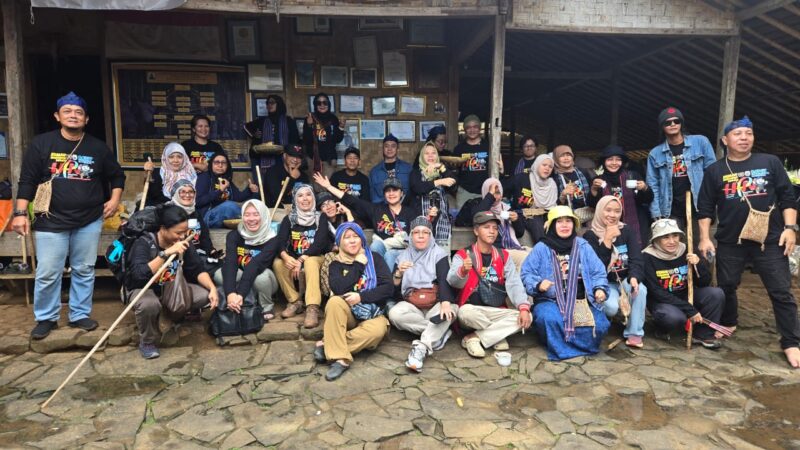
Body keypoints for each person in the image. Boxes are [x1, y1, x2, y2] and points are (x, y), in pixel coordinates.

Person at [13, 91, 126, 339]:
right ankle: (46, 317)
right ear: (57, 116)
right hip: (50, 221)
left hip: (89, 219)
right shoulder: (42, 144)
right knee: (48, 271)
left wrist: (114, 199)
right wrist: (20, 212)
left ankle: (79, 314)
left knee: (84, 268)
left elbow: (117, 175)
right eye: (68, 111)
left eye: (78, 112)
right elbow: (27, 181)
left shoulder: (97, 147)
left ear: (86, 119)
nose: (73, 116)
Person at [697, 117, 800, 367]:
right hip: (731, 241)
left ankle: (791, 341)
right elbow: (705, 208)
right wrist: (704, 239)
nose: (744, 138)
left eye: (748, 133)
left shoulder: (770, 162)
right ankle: (730, 320)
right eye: (738, 134)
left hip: (771, 240)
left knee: (780, 291)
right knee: (727, 286)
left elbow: (788, 197)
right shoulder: (715, 170)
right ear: (725, 140)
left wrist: (790, 228)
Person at [125, 205, 219, 359]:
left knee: (204, 295)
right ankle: (147, 341)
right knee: (149, 305)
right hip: (143, 288)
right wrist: (166, 253)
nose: (182, 237)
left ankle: (171, 315)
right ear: (163, 228)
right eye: (178, 233)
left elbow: (197, 269)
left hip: (170, 286)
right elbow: (139, 275)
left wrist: (212, 288)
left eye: (185, 232)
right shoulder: (144, 243)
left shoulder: (183, 243)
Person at [520, 206, 610, 361]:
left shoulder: (583, 246)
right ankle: (563, 347)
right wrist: (538, 284)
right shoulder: (542, 248)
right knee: (550, 319)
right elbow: (527, 273)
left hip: (581, 300)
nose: (564, 225)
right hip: (551, 300)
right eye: (559, 221)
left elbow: (598, 272)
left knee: (601, 324)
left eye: (568, 221)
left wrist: (599, 288)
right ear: (552, 225)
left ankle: (566, 345)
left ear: (573, 225)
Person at [447, 211, 532, 357]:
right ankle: (497, 335)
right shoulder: (463, 254)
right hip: (472, 311)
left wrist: (523, 307)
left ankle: (473, 338)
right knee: (465, 312)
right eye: (486, 227)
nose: (492, 231)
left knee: (527, 316)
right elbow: (451, 282)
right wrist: (462, 271)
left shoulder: (503, 255)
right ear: (476, 231)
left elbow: (514, 284)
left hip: (496, 311)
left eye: (494, 228)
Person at [314, 222, 392, 381]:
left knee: (378, 330)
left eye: (356, 236)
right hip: (347, 314)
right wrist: (358, 264)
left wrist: (361, 297)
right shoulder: (336, 263)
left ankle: (328, 344)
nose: (352, 241)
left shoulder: (375, 258)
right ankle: (341, 359)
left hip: (372, 314)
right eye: (347, 238)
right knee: (335, 302)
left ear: (362, 240)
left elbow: (388, 288)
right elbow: (339, 288)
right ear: (340, 243)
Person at [388, 217, 456, 372]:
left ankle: (423, 344)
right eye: (416, 232)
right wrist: (398, 273)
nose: (420, 236)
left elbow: (444, 280)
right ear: (411, 236)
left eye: (425, 232)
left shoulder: (438, 254)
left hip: (434, 302)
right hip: (412, 303)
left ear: (430, 236)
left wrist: (445, 303)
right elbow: (393, 291)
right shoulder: (403, 256)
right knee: (394, 314)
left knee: (451, 310)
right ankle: (438, 332)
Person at [643, 218, 724, 349]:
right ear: (656, 240)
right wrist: (689, 310)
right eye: (665, 237)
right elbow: (656, 292)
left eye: (675, 236)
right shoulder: (647, 257)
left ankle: (703, 334)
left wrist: (699, 265)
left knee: (716, 294)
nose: (672, 241)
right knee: (673, 317)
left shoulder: (687, 250)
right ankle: (662, 329)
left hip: (686, 295)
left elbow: (704, 282)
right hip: (663, 302)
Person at [314, 174, 420, 272]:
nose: (391, 193)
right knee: (376, 246)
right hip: (382, 248)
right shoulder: (376, 209)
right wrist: (328, 187)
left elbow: (416, 237)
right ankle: (373, 279)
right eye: (388, 191)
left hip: (403, 249)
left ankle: (389, 287)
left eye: (395, 190)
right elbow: (351, 200)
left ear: (401, 193)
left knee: (390, 255)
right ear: (384, 194)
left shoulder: (410, 212)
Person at [583, 196, 648, 348]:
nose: (612, 215)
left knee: (640, 290)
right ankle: (608, 319)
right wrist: (606, 240)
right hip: (604, 283)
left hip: (624, 279)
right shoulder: (590, 236)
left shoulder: (626, 230)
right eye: (608, 210)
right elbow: (595, 268)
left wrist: (634, 277)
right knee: (611, 307)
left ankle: (634, 333)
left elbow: (636, 259)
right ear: (599, 211)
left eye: (617, 211)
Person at [646, 107, 717, 229]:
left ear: (681, 123)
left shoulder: (701, 142)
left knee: (702, 245)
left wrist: (712, 203)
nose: (673, 124)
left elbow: (713, 174)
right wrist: (656, 212)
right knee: (673, 247)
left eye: (676, 121)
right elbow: (653, 185)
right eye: (667, 122)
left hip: (699, 205)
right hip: (670, 209)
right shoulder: (655, 153)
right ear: (662, 126)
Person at [272, 184, 331, 328]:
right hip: (295, 260)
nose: (305, 199)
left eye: (308, 195)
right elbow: (280, 242)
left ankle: (312, 307)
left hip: (316, 258)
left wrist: (301, 259)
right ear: (295, 199)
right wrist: (285, 256)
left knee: (310, 261)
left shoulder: (320, 217)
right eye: (300, 195)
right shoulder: (289, 219)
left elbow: (320, 242)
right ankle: (295, 302)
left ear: (313, 198)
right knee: (278, 263)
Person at [214, 199, 280, 321]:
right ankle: (237, 300)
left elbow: (254, 265)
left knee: (261, 278)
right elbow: (230, 263)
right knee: (219, 274)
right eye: (247, 214)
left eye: (256, 214)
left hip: (264, 279)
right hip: (242, 276)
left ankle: (266, 306)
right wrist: (231, 293)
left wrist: (240, 294)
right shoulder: (234, 235)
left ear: (264, 216)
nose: (251, 219)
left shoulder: (272, 238)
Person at [588, 145, 653, 246]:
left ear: (622, 162)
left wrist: (644, 188)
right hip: (608, 225)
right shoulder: (598, 180)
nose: (614, 163)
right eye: (610, 159)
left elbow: (647, 200)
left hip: (637, 225)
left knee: (637, 254)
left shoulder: (633, 176)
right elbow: (592, 205)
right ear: (604, 162)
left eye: (618, 160)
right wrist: (594, 189)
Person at [409, 141, 457, 249]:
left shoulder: (441, 172)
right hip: (422, 223)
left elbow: (454, 184)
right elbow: (418, 187)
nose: (430, 156)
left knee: (442, 260)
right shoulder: (415, 173)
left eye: (433, 153)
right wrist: (439, 182)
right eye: (427, 153)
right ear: (421, 156)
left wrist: (441, 167)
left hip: (442, 225)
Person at [472, 178, 527, 268]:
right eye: (492, 193)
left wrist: (516, 220)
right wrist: (490, 196)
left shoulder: (506, 208)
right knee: (526, 258)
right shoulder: (480, 207)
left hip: (513, 247)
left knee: (536, 254)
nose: (496, 197)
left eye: (498, 193)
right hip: (497, 250)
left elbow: (520, 233)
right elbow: (477, 216)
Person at [195, 151, 258, 228]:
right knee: (229, 205)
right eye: (216, 162)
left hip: (223, 217)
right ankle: (248, 221)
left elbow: (238, 197)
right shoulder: (204, 177)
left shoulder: (226, 179)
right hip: (207, 217)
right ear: (211, 164)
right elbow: (197, 202)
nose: (220, 165)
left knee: (248, 207)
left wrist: (249, 189)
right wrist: (219, 191)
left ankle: (248, 220)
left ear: (227, 166)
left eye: (223, 163)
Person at [506, 153, 559, 245]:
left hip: (546, 214)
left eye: (550, 167)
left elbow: (553, 206)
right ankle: (543, 248)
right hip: (526, 215)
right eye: (544, 165)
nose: (547, 168)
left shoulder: (552, 184)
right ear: (537, 164)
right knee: (535, 219)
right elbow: (503, 189)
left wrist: (550, 220)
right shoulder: (522, 178)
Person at [245, 95, 299, 172]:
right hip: (263, 159)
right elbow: (245, 126)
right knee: (264, 183)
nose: (269, 105)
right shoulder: (262, 121)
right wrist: (253, 135)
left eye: (272, 102)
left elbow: (295, 140)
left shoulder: (288, 121)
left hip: (283, 159)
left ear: (279, 104)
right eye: (267, 103)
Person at [168, 180, 213, 257]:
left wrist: (211, 251)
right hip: (176, 256)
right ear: (175, 194)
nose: (188, 195)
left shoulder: (195, 213)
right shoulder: (168, 212)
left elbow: (204, 237)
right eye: (183, 192)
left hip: (198, 255)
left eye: (191, 192)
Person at [143, 142, 197, 208]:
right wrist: (148, 175)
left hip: (185, 211)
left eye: (179, 157)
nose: (175, 160)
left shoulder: (191, 174)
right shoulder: (158, 173)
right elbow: (152, 195)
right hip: (161, 210)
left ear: (184, 158)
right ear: (165, 158)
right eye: (171, 157)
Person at [453, 114, 489, 208]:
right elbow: (455, 169)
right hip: (464, 191)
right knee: (460, 219)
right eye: (468, 127)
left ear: (479, 128)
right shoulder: (459, 149)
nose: (472, 130)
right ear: (465, 129)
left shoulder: (488, 147)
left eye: (475, 127)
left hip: (484, 190)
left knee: (483, 219)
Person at [303, 92, 344, 176]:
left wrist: (341, 127)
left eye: (325, 102)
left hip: (329, 158)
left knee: (328, 185)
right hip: (313, 159)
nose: (322, 105)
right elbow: (306, 141)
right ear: (315, 105)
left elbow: (337, 139)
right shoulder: (310, 118)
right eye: (319, 103)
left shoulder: (333, 119)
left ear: (328, 104)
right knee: (314, 186)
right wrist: (308, 125)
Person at [552, 145, 594, 226]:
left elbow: (592, 195)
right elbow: (554, 204)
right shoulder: (554, 177)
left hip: (588, 214)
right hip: (567, 218)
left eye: (568, 155)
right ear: (556, 159)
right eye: (562, 156)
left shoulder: (583, 172)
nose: (566, 158)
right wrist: (563, 194)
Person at [368, 134, 413, 203]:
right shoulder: (374, 172)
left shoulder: (408, 169)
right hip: (382, 211)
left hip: (405, 210)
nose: (389, 149)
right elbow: (373, 196)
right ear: (383, 149)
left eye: (393, 146)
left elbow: (412, 192)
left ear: (397, 149)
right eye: (386, 146)